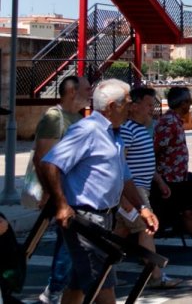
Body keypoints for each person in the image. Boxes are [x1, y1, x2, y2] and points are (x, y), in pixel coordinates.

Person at [38, 79, 160, 304]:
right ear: (112, 106)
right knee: (103, 286)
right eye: (128, 103)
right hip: (84, 218)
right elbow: (50, 163)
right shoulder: (88, 130)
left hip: (104, 217)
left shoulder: (115, 133)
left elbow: (124, 176)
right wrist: (61, 205)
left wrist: (142, 208)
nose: (131, 107)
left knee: (78, 285)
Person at [29, 76, 88, 304]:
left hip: (74, 192)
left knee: (71, 244)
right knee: (67, 244)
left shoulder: (78, 118)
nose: (90, 92)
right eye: (87, 88)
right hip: (61, 193)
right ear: (72, 91)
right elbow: (42, 157)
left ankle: (60, 290)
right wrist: (50, 193)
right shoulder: (54, 117)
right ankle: (54, 291)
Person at [115, 87, 175, 289]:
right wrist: (125, 196)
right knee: (147, 228)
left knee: (121, 231)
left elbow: (145, 161)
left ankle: (102, 270)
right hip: (134, 191)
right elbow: (120, 164)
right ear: (134, 106)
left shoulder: (141, 129)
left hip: (142, 188)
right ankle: (156, 275)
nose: (152, 109)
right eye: (149, 105)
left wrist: (159, 181)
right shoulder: (127, 129)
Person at [153, 87, 192, 261]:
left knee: (188, 212)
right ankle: (144, 252)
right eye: (189, 101)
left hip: (179, 177)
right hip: (168, 179)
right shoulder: (169, 122)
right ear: (182, 103)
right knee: (158, 216)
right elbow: (156, 148)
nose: (190, 105)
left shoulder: (176, 121)